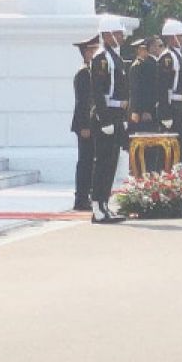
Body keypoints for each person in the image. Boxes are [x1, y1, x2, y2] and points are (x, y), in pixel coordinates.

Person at [89, 15, 129, 223]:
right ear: (107, 34)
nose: (122, 37)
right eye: (119, 33)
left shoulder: (114, 56)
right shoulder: (102, 58)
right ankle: (97, 206)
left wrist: (121, 118)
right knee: (103, 162)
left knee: (111, 162)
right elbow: (97, 91)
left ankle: (105, 203)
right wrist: (104, 120)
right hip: (105, 116)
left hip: (115, 114)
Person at [70, 34, 99, 212]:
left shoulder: (91, 71)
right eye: (93, 50)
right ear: (86, 53)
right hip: (84, 125)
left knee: (90, 162)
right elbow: (82, 102)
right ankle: (80, 198)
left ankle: (86, 195)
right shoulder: (83, 73)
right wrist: (85, 126)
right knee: (85, 162)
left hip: (91, 124)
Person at [160, 18, 182, 154]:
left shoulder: (178, 56)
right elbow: (163, 88)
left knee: (178, 142)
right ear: (171, 37)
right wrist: (165, 113)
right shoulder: (167, 57)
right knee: (170, 145)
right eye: (180, 36)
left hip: (179, 105)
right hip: (172, 106)